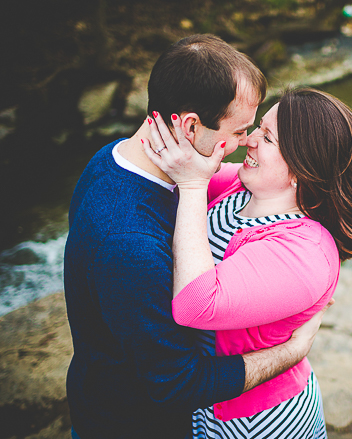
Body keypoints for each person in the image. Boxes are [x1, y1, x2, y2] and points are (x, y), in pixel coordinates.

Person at [64, 35, 327, 439]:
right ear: (189, 126)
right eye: (240, 131)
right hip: (133, 424)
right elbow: (177, 383)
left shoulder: (110, 158)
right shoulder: (130, 243)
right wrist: (290, 352)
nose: (245, 143)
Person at [142, 88, 352, 438]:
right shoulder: (244, 186)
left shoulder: (306, 252)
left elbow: (195, 305)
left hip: (257, 421)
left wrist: (192, 186)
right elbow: (176, 169)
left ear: (302, 169)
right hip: (208, 396)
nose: (249, 140)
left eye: (267, 137)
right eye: (258, 128)